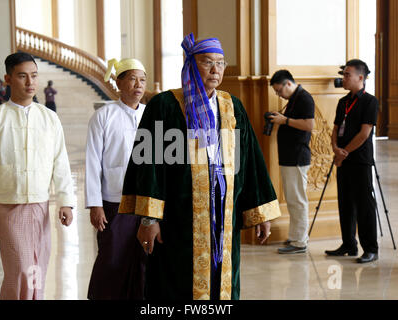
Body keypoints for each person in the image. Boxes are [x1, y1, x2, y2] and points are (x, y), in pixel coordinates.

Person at [118, 33, 281, 300]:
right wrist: (149, 219)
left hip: (223, 216)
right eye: (207, 62)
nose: (215, 69)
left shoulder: (232, 107)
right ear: (192, 65)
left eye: (220, 63)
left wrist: (260, 212)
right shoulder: (165, 106)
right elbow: (149, 165)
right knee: (175, 285)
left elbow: (250, 161)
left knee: (221, 283)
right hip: (178, 219)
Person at [0, 52, 74, 299]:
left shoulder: (49, 119)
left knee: (37, 267)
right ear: (8, 79)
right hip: (6, 205)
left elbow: (60, 162)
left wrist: (65, 202)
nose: (30, 82)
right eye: (22, 76)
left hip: (39, 204)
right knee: (18, 269)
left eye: (34, 76)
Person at [85, 58, 147, 300]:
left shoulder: (151, 115)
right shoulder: (104, 116)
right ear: (119, 83)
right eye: (132, 78)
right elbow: (91, 162)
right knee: (112, 258)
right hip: (114, 201)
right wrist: (95, 204)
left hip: (145, 203)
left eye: (142, 80)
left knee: (142, 260)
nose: (138, 85)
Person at [325, 59, 379, 263]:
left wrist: (344, 152)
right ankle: (348, 244)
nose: (344, 78)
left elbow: (365, 133)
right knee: (345, 203)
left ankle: (370, 248)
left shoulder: (370, 101)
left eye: (347, 75)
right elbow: (335, 129)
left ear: (360, 78)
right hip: (343, 160)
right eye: (344, 74)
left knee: (364, 205)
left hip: (360, 160)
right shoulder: (343, 102)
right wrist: (335, 149)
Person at [269, 70, 315, 254]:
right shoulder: (294, 99)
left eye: (279, 90)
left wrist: (284, 120)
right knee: (292, 199)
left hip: (297, 157)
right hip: (289, 157)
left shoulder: (304, 98)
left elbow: (309, 125)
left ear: (288, 83)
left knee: (297, 200)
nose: (279, 95)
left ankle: (299, 242)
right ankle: (296, 236)